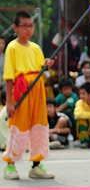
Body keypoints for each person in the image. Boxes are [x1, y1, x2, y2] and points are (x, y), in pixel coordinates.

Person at [2, 11, 55, 180]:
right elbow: (9, 77)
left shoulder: (36, 48)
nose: (29, 29)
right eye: (25, 26)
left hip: (37, 90)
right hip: (21, 90)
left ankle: (36, 165)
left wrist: (46, 65)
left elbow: (41, 70)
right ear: (16, 28)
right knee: (18, 125)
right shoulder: (12, 47)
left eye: (31, 25)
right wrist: (9, 102)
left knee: (38, 124)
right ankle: (10, 164)